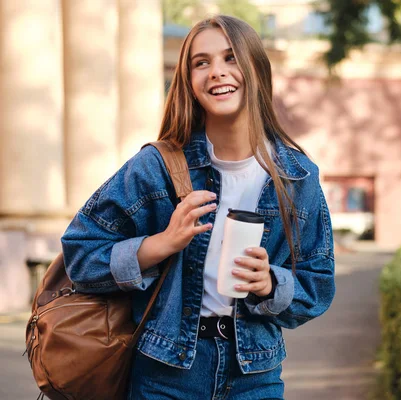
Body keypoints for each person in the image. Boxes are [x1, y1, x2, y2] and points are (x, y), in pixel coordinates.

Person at [61, 14, 335, 400]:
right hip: (165, 372)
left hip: (255, 375)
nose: (217, 73)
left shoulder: (297, 177)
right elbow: (80, 252)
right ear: (189, 82)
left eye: (230, 58)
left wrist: (271, 283)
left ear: (256, 69)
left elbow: (318, 284)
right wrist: (161, 243)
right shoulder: (155, 168)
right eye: (201, 63)